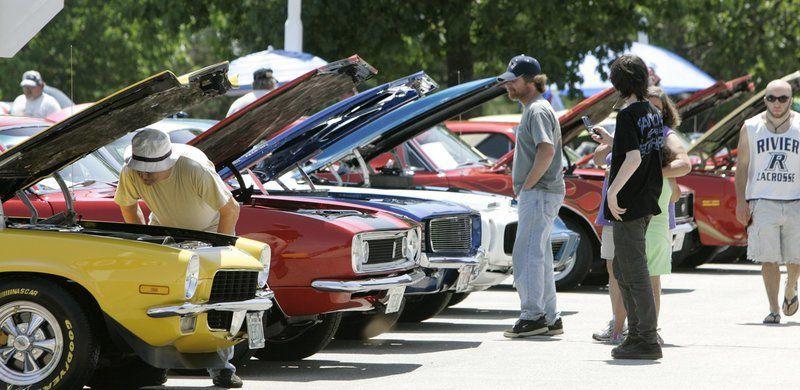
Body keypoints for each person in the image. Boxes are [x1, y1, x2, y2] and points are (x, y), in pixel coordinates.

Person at [114, 128, 243, 388]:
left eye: (150, 171)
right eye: (140, 169)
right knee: (157, 299)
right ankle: (155, 363)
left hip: (210, 232)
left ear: (167, 163)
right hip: (164, 231)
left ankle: (222, 368)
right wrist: (144, 242)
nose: (143, 175)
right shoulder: (132, 171)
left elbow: (230, 209)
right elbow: (128, 207)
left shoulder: (193, 168)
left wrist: (218, 251)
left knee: (214, 301)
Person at [591, 86, 691, 345]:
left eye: (657, 107)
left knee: (648, 273)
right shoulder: (628, 128)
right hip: (615, 212)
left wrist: (649, 170)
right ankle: (618, 324)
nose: (651, 111)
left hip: (646, 212)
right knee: (615, 270)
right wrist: (613, 142)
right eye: (648, 105)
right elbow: (599, 158)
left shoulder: (666, 135)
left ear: (665, 111)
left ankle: (647, 330)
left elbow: (684, 163)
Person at [498, 55, 566, 338]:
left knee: (526, 255)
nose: (508, 86)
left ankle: (532, 316)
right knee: (539, 255)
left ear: (529, 81)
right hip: (543, 192)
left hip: (538, 192)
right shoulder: (538, 108)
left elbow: (546, 150)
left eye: (513, 80)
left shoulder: (536, 110)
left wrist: (527, 185)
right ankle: (550, 317)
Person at [602, 54, 665, 360]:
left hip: (630, 203)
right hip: (647, 199)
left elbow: (633, 158)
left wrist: (613, 192)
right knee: (623, 267)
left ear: (618, 83)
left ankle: (645, 338)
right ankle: (637, 335)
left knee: (633, 271)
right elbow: (640, 150)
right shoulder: (651, 112)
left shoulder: (627, 115)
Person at [735, 79, 800, 324]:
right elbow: (741, 168)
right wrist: (741, 201)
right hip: (762, 200)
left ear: (790, 100)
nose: (776, 103)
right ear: (764, 100)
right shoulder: (751, 127)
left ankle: (791, 288)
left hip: (796, 199)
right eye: (771, 98)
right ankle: (774, 309)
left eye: (782, 98)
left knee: (796, 256)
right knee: (768, 257)